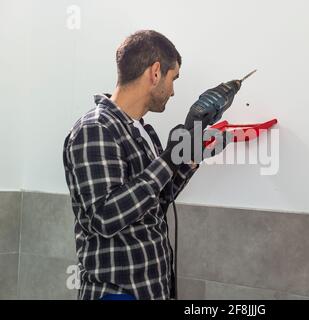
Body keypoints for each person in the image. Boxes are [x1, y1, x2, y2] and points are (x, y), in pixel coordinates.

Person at [62, 30, 230, 300]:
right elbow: (104, 216)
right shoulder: (95, 129)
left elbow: (155, 202)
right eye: (172, 78)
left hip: (151, 290)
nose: (173, 91)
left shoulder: (142, 131)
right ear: (155, 72)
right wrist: (168, 158)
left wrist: (190, 158)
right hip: (116, 294)